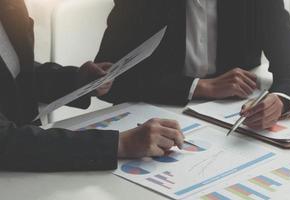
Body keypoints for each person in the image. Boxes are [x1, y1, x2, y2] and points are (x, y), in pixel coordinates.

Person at [0, 0, 184, 172]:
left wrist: (75, 80)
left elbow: (14, 74)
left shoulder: (10, 7)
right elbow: (5, 141)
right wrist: (120, 144)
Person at [96, 0, 290, 130]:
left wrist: (281, 100)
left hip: (231, 121)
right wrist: (198, 86)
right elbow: (109, 81)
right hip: (151, 120)